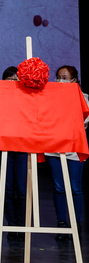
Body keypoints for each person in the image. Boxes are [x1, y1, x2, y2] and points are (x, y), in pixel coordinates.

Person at [47, 65, 88, 241]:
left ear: (74, 80)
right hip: (54, 149)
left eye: (64, 78)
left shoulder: (84, 98)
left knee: (75, 187)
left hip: (74, 149)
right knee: (59, 187)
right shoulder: (50, 97)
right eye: (58, 77)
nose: (60, 81)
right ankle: (62, 223)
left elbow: (83, 122)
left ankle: (76, 223)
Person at [1, 65, 27, 241]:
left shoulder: (26, 97)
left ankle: (22, 225)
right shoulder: (0, 98)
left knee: (22, 190)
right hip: (5, 148)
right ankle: (11, 225)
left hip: (23, 148)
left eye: (15, 79)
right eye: (9, 79)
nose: (12, 82)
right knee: (8, 190)